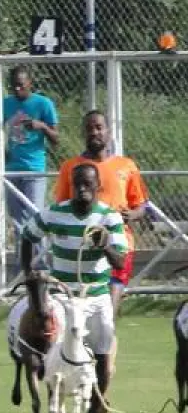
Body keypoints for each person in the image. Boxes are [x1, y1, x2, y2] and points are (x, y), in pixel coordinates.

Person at [22, 162, 128, 413]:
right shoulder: (55, 213)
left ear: (98, 186)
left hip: (96, 295)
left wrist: (104, 245)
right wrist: (28, 271)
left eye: (87, 184)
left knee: (103, 356)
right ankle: (56, 412)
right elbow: (28, 235)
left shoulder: (109, 217)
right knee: (55, 348)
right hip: (62, 294)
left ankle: (94, 409)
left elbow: (119, 263)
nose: (82, 189)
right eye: (77, 184)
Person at [52, 110, 149, 316]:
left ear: (108, 131)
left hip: (119, 243)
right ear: (83, 133)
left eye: (99, 127)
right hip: (82, 245)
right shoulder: (70, 167)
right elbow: (61, 206)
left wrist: (131, 215)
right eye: (89, 128)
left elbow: (141, 206)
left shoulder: (126, 166)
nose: (94, 132)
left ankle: (107, 328)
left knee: (110, 304)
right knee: (81, 307)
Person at [3, 66, 59, 260]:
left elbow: (56, 138)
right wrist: (3, 150)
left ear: (30, 83)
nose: (17, 89)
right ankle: (23, 264)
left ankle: (40, 263)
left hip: (34, 169)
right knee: (17, 221)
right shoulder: (5, 104)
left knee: (35, 217)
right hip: (11, 170)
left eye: (21, 85)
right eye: (13, 86)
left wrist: (41, 126)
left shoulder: (43, 104)